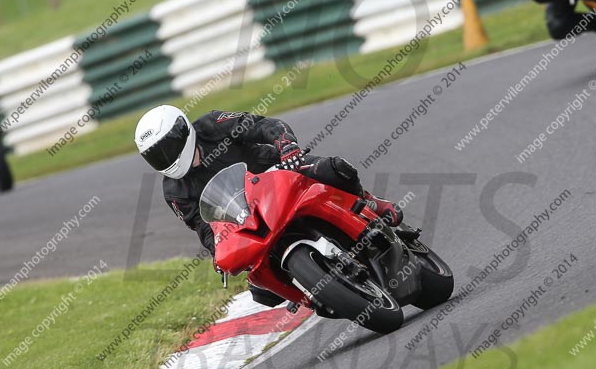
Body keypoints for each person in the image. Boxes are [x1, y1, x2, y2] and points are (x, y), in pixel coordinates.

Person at [134, 105, 403, 306]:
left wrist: (286, 146)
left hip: (277, 173)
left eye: (166, 148)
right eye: (155, 155)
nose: (165, 158)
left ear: (182, 132)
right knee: (261, 290)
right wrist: (218, 250)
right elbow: (202, 225)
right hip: (246, 217)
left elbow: (263, 125)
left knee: (334, 169)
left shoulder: (213, 124)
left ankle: (369, 202)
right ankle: (312, 291)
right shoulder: (174, 191)